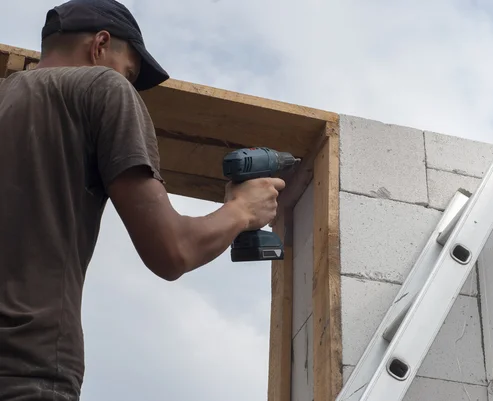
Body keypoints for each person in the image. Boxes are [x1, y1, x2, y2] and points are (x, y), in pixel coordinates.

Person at [0, 0, 285, 399]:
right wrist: (241, 210)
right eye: (130, 72)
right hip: (24, 372)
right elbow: (172, 251)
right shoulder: (103, 87)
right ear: (100, 45)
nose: (128, 84)